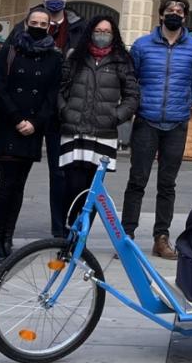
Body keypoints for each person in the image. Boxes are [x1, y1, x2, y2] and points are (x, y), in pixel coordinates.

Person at [124, 0, 192, 260]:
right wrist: (141, 104)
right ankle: (127, 237)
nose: (175, 14)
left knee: (167, 184)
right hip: (146, 121)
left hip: (176, 123)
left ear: (185, 17)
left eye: (180, 11)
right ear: (161, 15)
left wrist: (183, 103)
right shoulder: (141, 46)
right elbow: (131, 80)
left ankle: (161, 238)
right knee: (137, 180)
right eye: (170, 10)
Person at [0, 4, 64, 263]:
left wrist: (36, 122)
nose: (39, 27)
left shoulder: (54, 57)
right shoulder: (9, 51)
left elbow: (52, 94)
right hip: (9, 125)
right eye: (35, 23)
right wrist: (18, 119)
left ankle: (8, 236)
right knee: (5, 183)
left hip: (34, 128)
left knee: (19, 185)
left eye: (44, 24)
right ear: (26, 23)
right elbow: (0, 87)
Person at [56, 15, 139, 230]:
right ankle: (66, 234)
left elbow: (132, 96)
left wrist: (115, 116)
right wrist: (64, 111)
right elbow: (59, 89)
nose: (102, 35)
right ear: (90, 32)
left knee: (92, 189)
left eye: (107, 32)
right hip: (74, 131)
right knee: (71, 185)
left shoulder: (122, 60)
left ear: (114, 35)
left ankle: (81, 236)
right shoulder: (75, 57)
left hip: (102, 134)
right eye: (98, 31)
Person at [38, 0, 86, 237]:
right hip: (32, 108)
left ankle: (61, 228)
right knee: (13, 177)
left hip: (63, 108)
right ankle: (1, 235)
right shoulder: (31, 23)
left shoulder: (79, 28)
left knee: (62, 173)